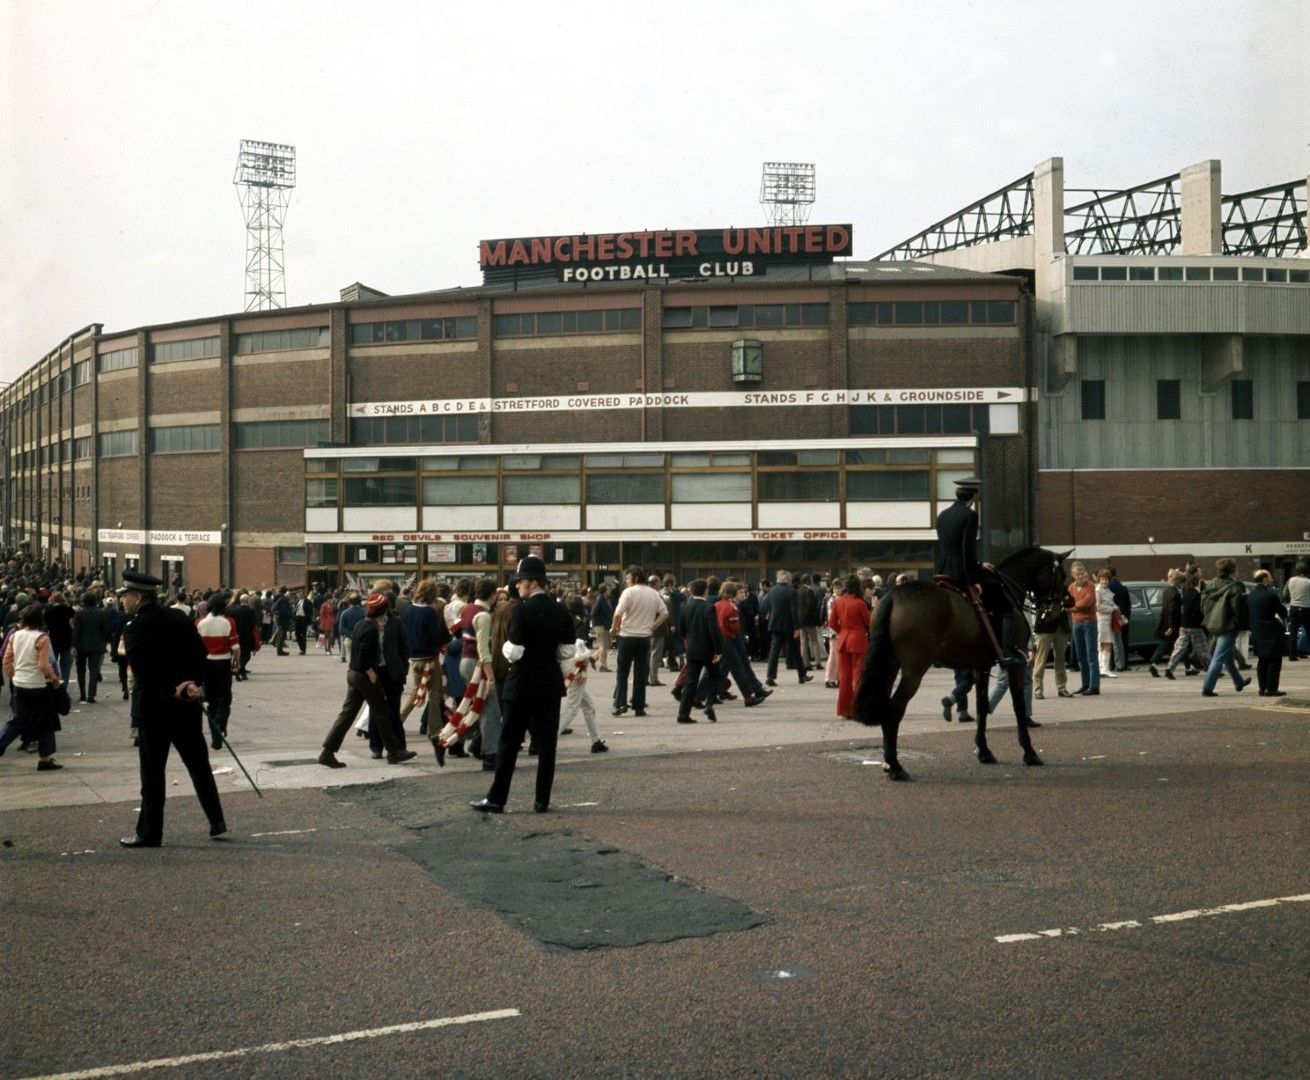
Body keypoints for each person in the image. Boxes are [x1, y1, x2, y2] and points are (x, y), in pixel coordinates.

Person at [117, 572, 227, 847]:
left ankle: (150, 832)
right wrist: (191, 682)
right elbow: (200, 653)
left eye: (125, 596)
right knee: (199, 765)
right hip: (186, 707)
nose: (122, 601)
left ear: (138, 597)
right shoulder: (178, 618)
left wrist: (171, 687)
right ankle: (216, 820)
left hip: (154, 710)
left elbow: (144, 672)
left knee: (153, 774)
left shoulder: (134, 627)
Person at [471, 556, 575, 814]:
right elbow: (566, 652)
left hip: (521, 683)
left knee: (509, 741)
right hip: (549, 683)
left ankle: (497, 799)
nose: (516, 586)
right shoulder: (561, 610)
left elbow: (515, 652)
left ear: (530, 582)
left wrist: (505, 647)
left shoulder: (521, 610)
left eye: (519, 582)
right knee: (547, 744)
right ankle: (542, 800)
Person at [318, 592, 418, 767]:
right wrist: (371, 674)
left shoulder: (361, 625)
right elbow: (364, 657)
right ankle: (393, 752)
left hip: (353, 675)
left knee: (347, 714)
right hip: (364, 676)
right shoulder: (372, 629)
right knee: (382, 713)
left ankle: (327, 752)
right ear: (383, 610)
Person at [935, 477, 1024, 668]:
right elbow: (967, 550)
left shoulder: (942, 515)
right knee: (1005, 606)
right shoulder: (970, 515)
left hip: (943, 569)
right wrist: (974, 577)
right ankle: (1007, 652)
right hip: (961, 571)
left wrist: (979, 564)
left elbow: (951, 547)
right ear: (974, 496)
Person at [0, 604, 64, 771]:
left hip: (20, 683)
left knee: (18, 720)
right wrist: (55, 679)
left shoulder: (14, 635)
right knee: (46, 722)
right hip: (39, 685)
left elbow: (6, 660)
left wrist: (13, 675)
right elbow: (43, 664)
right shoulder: (42, 638)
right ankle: (45, 758)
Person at [610, 565, 667, 717]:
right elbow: (664, 613)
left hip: (627, 636)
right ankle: (639, 706)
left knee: (623, 671)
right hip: (644, 637)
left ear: (634, 577)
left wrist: (614, 629)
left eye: (627, 578)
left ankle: (621, 703)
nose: (626, 581)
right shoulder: (654, 594)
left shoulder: (628, 592)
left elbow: (618, 614)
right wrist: (652, 627)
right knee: (640, 672)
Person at [1200, 558, 1251, 697]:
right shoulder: (1236, 586)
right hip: (1228, 625)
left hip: (1213, 624)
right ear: (1233, 570)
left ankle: (1239, 682)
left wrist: (1209, 620)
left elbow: (1203, 606)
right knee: (1219, 656)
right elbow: (1238, 609)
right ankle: (1207, 687)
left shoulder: (1209, 585)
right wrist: (1240, 624)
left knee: (1227, 656)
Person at [675, 578, 723, 724]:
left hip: (692, 649)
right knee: (715, 676)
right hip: (707, 649)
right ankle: (709, 704)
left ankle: (683, 714)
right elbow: (713, 631)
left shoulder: (684, 607)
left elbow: (682, 630)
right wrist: (718, 650)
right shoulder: (709, 607)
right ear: (705, 591)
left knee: (690, 682)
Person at [196, 596, 240, 750]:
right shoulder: (229, 622)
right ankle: (220, 723)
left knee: (211, 700)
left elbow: (195, 648)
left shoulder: (200, 623)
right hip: (223, 663)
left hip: (206, 665)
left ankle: (215, 734)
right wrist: (237, 662)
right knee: (225, 698)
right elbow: (235, 647)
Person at [827, 574, 871, 720]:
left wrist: (843, 632)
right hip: (858, 640)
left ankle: (844, 710)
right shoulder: (860, 603)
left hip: (843, 641)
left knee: (844, 677)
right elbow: (869, 622)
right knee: (858, 676)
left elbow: (832, 623)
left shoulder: (838, 602)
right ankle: (859, 708)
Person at [760, 571, 807, 686]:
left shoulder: (772, 591)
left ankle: (770, 676)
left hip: (774, 624)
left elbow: (766, 606)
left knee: (774, 651)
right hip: (788, 625)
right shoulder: (792, 591)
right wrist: (797, 627)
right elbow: (794, 611)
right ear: (788, 580)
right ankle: (802, 675)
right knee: (795, 650)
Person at [1248, 569, 1287, 697]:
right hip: (1271, 631)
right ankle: (1272, 688)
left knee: (1262, 660)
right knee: (1274, 660)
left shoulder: (1251, 594)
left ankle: (1262, 688)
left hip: (1257, 631)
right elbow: (1283, 612)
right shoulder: (1270, 595)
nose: (1271, 580)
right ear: (1264, 579)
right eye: (1269, 578)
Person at [71, 589, 111, 703]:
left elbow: (76, 631)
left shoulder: (79, 614)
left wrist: (73, 645)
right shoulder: (101, 613)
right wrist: (105, 641)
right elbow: (105, 629)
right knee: (93, 670)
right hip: (96, 645)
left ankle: (82, 694)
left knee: (80, 670)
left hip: (81, 645)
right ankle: (91, 694)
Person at [1067, 561, 1100, 695]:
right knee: (1081, 656)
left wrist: (1074, 608)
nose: (1081, 576)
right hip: (1076, 623)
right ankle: (1085, 683)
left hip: (1089, 622)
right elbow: (1067, 602)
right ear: (1073, 575)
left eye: (1082, 573)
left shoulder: (1091, 586)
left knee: (1091, 654)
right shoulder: (1071, 588)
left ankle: (1094, 685)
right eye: (1078, 574)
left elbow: (1089, 602)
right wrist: (1072, 607)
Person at [1148, 571, 1184, 678]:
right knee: (1174, 645)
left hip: (1164, 621)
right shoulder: (1175, 594)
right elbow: (1173, 611)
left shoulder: (1166, 591)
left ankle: (1155, 665)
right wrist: (1171, 626)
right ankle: (1156, 665)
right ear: (1178, 582)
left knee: (1174, 645)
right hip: (1172, 624)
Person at [1283, 562, 1310, 660]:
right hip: (1306, 608)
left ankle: (1292, 655)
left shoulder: (1290, 580)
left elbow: (1285, 595)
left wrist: (1292, 599)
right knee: (1308, 631)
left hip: (1294, 608)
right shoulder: (1308, 582)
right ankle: (1304, 650)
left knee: (1293, 633)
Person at [1095, 569, 1118, 678]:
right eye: (1103, 579)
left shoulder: (1106, 589)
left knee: (1104, 644)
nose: (1105, 581)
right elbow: (1097, 606)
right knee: (1106, 643)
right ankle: (1104, 669)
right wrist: (1112, 609)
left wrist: (1115, 607)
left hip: (1107, 619)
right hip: (1102, 620)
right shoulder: (1098, 590)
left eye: (1106, 579)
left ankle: (1102, 668)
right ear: (1099, 579)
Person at [590, 585, 613, 671]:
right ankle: (603, 666)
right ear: (604, 591)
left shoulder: (605, 599)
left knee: (607, 644)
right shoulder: (600, 600)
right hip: (600, 625)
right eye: (608, 589)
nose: (610, 590)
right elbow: (593, 612)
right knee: (603, 645)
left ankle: (593, 657)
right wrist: (602, 621)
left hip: (605, 625)